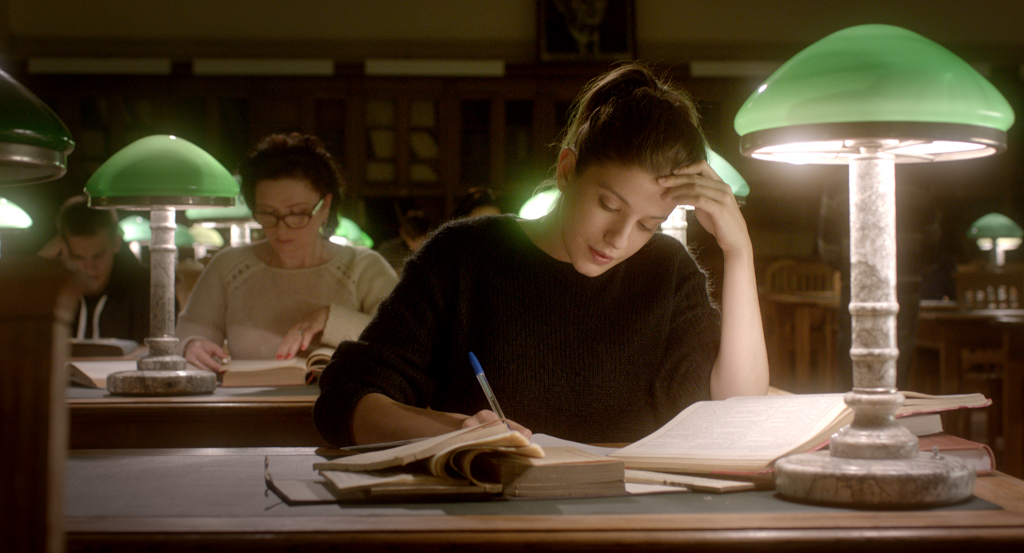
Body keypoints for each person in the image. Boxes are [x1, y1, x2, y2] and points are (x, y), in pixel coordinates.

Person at [313, 63, 769, 446]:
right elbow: (344, 399)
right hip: (490, 512)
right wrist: (452, 433)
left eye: (647, 225)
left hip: (631, 513)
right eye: (609, 205)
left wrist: (739, 251)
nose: (618, 238)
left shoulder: (667, 270)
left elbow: (739, 411)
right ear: (567, 169)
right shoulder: (462, 256)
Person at [176, 133, 399, 372]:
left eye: (297, 213)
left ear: (325, 206)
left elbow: (403, 341)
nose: (281, 229)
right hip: (248, 395)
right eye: (268, 213)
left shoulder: (362, 267)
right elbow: (185, 336)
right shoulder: (229, 266)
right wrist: (191, 346)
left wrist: (331, 319)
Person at [41, 195, 152, 344]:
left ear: (116, 243)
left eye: (98, 256)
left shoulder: (146, 288)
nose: (89, 267)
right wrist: (42, 262)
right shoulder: (55, 291)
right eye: (79, 257)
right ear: (64, 250)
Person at [375, 209, 433, 274]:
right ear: (403, 233)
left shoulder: (434, 249)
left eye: (423, 239)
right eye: (413, 239)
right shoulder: (388, 250)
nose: (418, 244)